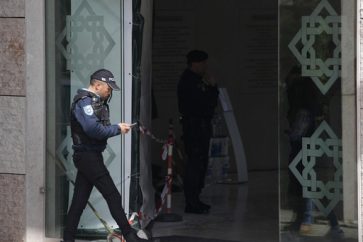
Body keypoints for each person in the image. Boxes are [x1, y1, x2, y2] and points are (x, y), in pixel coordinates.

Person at [62, 69, 148, 242]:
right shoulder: (84, 102)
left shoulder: (92, 101)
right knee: (112, 195)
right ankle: (130, 236)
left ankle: (68, 238)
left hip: (90, 156)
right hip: (88, 157)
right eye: (109, 88)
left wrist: (117, 127)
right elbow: (92, 129)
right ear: (98, 85)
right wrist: (117, 129)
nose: (109, 93)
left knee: (79, 201)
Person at [177, 50, 219, 214]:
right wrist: (213, 87)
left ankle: (195, 199)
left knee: (199, 163)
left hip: (199, 126)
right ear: (195, 64)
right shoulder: (190, 81)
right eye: (203, 63)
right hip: (195, 127)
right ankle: (192, 202)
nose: (205, 66)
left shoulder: (195, 80)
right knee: (195, 164)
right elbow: (206, 102)